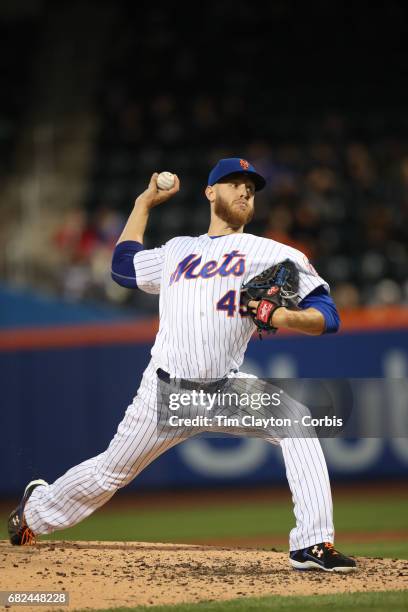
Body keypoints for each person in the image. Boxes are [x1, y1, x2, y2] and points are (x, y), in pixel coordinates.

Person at [8, 158, 356, 572]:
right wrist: (143, 203)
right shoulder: (177, 250)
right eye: (234, 183)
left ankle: (312, 544)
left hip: (225, 389)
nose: (245, 191)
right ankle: (32, 514)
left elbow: (327, 315)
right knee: (108, 475)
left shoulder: (272, 254)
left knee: (296, 419)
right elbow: (123, 268)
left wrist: (284, 317)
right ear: (210, 192)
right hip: (164, 393)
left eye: (251, 186)